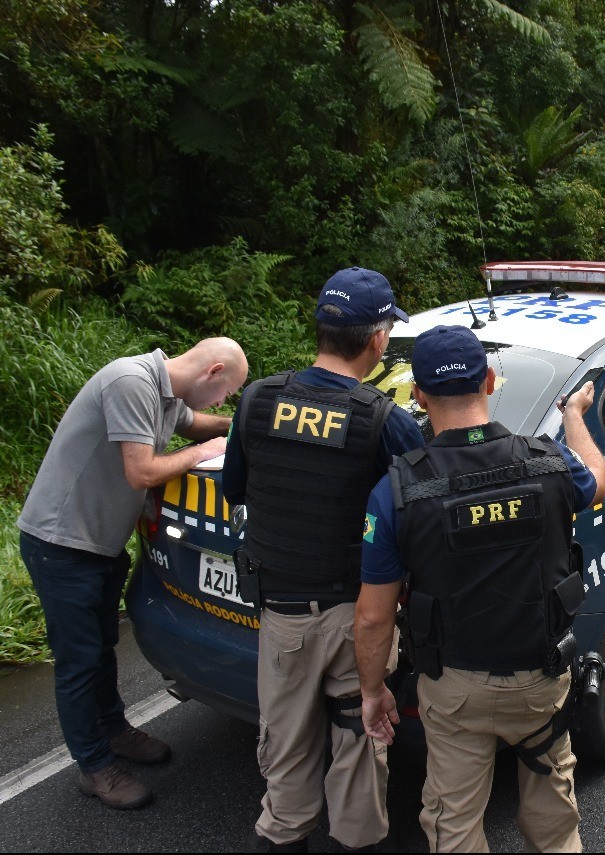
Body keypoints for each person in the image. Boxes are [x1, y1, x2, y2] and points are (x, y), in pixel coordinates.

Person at [355, 324, 605, 853]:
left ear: (419, 394)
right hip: (543, 675)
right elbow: (596, 477)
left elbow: (375, 617)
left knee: (454, 823)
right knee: (555, 813)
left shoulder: (397, 490)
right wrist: (573, 415)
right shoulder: (548, 461)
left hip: (454, 687)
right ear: (490, 381)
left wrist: (373, 690)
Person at [222, 267, 425, 854]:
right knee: (360, 749)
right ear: (378, 339)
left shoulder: (259, 399)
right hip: (356, 617)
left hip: (282, 616)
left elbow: (237, 488)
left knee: (285, 761)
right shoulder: (384, 421)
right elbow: (424, 509)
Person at [17, 337, 249, 810]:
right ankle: (94, 766)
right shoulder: (131, 382)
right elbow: (141, 472)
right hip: (62, 544)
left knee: (101, 649)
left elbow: (198, 421)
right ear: (213, 371)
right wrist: (206, 450)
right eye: (227, 393)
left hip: (98, 544)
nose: (221, 402)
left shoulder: (165, 396)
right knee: (79, 662)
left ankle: (113, 731)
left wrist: (249, 424)